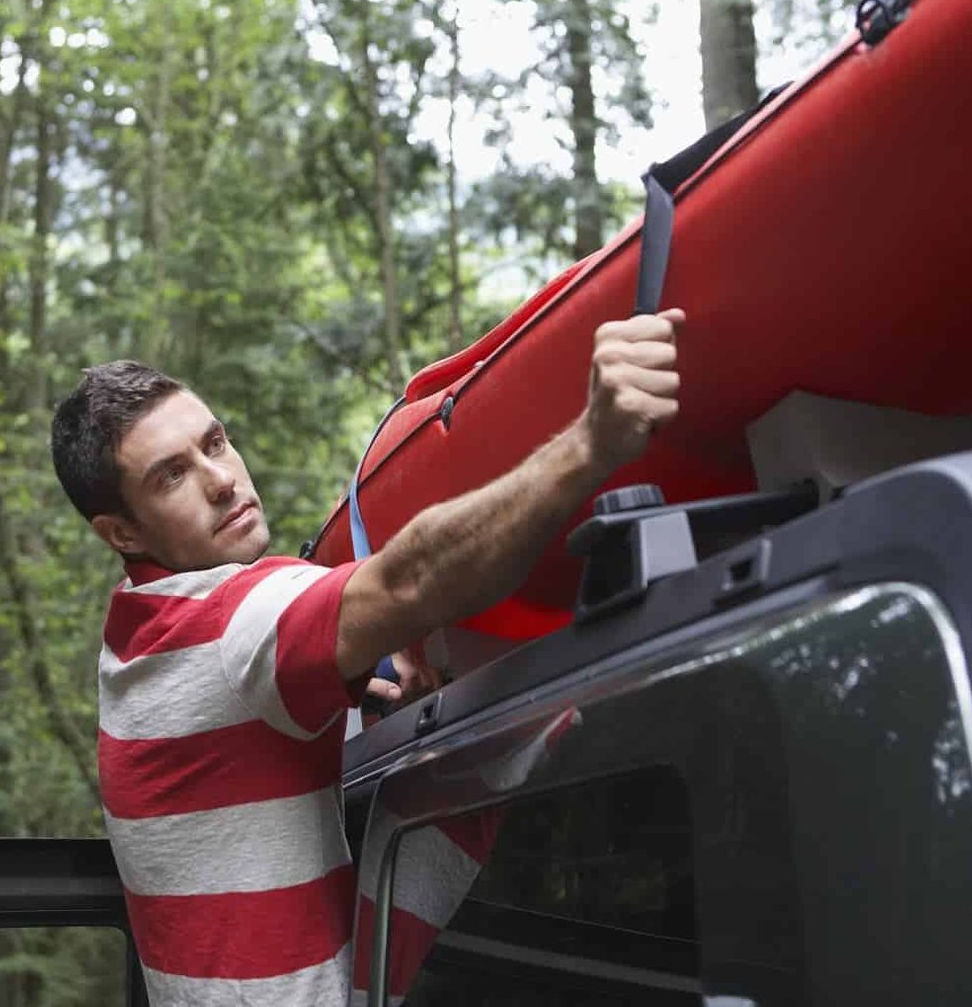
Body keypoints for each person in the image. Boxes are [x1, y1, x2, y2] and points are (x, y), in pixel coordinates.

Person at [48, 308, 684, 1006]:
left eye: (216, 443)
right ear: (121, 531)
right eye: (172, 476)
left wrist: (359, 677)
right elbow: (408, 580)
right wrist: (590, 441)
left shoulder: (137, 639)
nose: (222, 479)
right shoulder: (229, 623)